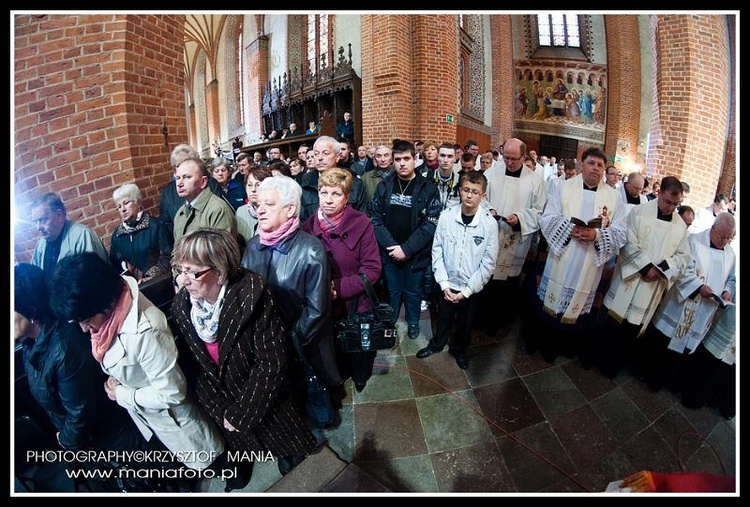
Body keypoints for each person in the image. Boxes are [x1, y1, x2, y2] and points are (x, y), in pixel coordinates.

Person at [49, 252, 226, 474]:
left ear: (103, 302)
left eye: (86, 321)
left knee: (216, 465)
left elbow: (173, 393)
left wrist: (122, 394)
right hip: (151, 417)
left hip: (173, 417)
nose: (85, 330)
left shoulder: (145, 329)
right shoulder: (111, 315)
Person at [170, 228, 317, 481]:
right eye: (180, 270)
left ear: (219, 272)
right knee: (252, 450)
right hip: (228, 407)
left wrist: (244, 412)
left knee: (297, 468)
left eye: (192, 272)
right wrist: (222, 409)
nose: (183, 281)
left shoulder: (253, 295)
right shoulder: (183, 307)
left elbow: (270, 362)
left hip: (266, 400)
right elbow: (196, 368)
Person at [14, 263, 149, 491]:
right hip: (86, 442)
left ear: (31, 309)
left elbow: (80, 411)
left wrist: (66, 441)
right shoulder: (30, 344)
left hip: (111, 438)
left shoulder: (65, 345)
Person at [240, 176, 342, 425]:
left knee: (311, 398)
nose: (260, 209)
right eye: (259, 204)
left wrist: (287, 341)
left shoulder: (311, 249)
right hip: (266, 346)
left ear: (290, 210)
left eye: (269, 204)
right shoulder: (254, 246)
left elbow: (317, 310)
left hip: (302, 344)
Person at [523, 147, 628, 364]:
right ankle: (546, 344)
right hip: (564, 254)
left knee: (578, 307)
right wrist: (568, 229)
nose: (596, 168)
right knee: (552, 302)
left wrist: (596, 234)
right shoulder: (563, 187)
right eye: (591, 163)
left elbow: (620, 232)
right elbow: (547, 217)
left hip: (589, 262)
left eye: (600, 165)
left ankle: (566, 346)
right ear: (581, 165)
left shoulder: (615, 197)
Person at [594, 176, 690, 378]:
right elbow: (628, 241)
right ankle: (595, 359)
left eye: (676, 204)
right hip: (630, 279)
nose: (671, 208)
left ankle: (614, 367)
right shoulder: (639, 212)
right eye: (668, 202)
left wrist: (661, 269)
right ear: (659, 193)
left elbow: (682, 258)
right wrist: (646, 267)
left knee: (630, 330)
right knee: (611, 324)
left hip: (650, 287)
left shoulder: (681, 226)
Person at [634, 212, 736, 392]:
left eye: (729, 237)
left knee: (682, 350)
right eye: (722, 236)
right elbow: (682, 270)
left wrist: (727, 292)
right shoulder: (694, 242)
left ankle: (662, 381)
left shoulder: (730, 254)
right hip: (680, 306)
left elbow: (732, 280)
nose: (725, 241)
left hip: (704, 311)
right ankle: (643, 372)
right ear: (713, 228)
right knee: (662, 342)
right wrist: (699, 287)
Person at [302, 169, 382, 392]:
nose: (328, 200)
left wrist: (337, 288)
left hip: (357, 304)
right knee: (333, 351)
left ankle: (360, 377)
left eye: (336, 194)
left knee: (359, 352)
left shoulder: (361, 223)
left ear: (347, 197)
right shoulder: (307, 226)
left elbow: (372, 269)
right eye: (323, 192)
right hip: (323, 306)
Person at [416, 171, 499, 370]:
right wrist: (444, 283)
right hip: (447, 282)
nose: (469, 195)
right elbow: (437, 251)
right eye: (466, 190)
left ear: (483, 196)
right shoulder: (446, 217)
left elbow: (488, 263)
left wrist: (467, 291)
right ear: (460, 191)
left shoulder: (489, 224)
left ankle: (459, 349)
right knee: (443, 317)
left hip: (471, 286)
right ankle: (437, 344)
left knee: (465, 322)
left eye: (475, 192)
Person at [370, 139, 441, 340]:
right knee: (391, 293)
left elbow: (431, 224)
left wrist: (407, 249)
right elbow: (374, 219)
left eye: (406, 159)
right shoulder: (384, 186)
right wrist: (392, 246)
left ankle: (412, 323)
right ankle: (389, 325)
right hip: (390, 252)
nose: (402, 163)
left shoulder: (428, 187)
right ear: (393, 161)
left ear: (415, 159)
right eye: (398, 159)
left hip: (415, 255)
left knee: (413, 293)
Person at [480, 137, 547, 334]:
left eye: (513, 159)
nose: (508, 162)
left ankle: (503, 319)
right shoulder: (492, 172)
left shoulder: (535, 180)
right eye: (505, 157)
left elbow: (540, 210)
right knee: (488, 278)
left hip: (515, 238)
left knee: (508, 281)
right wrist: (489, 210)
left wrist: (519, 218)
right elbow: (481, 197)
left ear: (524, 156)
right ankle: (483, 317)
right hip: (492, 234)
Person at [30, 192, 108, 284]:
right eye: (35, 221)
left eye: (42, 220)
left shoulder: (83, 235)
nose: (38, 227)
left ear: (59, 215)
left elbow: (96, 279)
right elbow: (35, 279)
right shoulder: (41, 245)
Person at [108, 183, 171, 284]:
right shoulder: (117, 236)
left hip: (159, 284)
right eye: (119, 207)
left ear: (138, 203)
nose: (123, 209)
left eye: (126, 203)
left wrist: (150, 276)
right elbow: (115, 265)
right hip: (134, 290)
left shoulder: (156, 225)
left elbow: (168, 256)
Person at [159, 143, 224, 242]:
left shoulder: (211, 184)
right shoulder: (167, 192)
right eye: (178, 166)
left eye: (186, 164)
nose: (181, 170)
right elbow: (166, 226)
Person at [299, 135, 368, 222]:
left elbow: (362, 219)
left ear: (337, 157)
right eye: (316, 154)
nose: (320, 158)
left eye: (325, 153)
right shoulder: (306, 184)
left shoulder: (354, 183)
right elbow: (302, 221)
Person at [172, 156, 237, 245]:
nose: (179, 183)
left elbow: (222, 254)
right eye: (178, 178)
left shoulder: (218, 210)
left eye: (187, 177)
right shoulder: (180, 214)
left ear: (203, 182)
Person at [235, 165, 272, 246]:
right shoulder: (241, 211)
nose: (253, 189)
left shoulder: (274, 212)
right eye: (249, 185)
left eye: (258, 185)